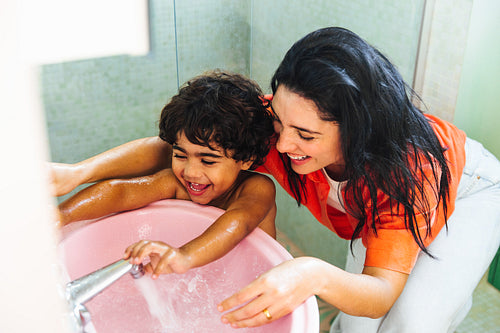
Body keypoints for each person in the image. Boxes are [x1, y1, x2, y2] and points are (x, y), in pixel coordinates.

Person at [50, 27, 500, 332]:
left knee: (410, 322)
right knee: (354, 325)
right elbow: (175, 145)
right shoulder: (284, 120)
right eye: (281, 123)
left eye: (306, 135)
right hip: (377, 209)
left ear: (358, 129)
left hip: (465, 194)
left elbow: (381, 293)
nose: (282, 146)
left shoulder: (405, 173)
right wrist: (79, 172)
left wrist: (308, 270)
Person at [57, 70, 277, 278]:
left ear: (246, 159)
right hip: (203, 275)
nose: (190, 172)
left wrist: (183, 256)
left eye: (208, 161)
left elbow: (238, 223)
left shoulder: (256, 188)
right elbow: (122, 192)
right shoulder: (176, 183)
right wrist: (61, 215)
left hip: (254, 279)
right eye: (180, 155)